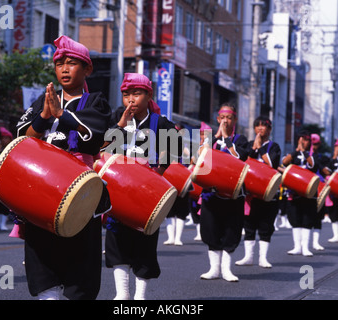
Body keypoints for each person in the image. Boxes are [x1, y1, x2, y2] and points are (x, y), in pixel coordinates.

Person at [16, 35, 111, 300]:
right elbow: (22, 138)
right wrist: (45, 116)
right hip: (43, 187)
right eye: (59, 64)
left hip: (79, 189)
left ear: (87, 69)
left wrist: (62, 116)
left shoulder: (96, 103)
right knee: (40, 252)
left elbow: (94, 139)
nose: (64, 69)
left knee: (81, 258)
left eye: (72, 63)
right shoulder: (43, 101)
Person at [103, 72, 181, 300]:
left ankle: (140, 296)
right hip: (118, 188)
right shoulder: (118, 118)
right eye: (126, 94)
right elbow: (103, 145)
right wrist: (120, 125)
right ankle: (122, 293)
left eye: (136, 94)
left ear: (149, 95)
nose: (131, 100)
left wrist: (159, 171)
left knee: (144, 241)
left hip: (146, 192)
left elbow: (176, 146)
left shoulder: (159, 122)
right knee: (116, 239)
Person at [199, 102, 249, 282]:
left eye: (229, 117)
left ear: (235, 119)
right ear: (218, 119)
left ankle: (226, 269)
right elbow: (200, 158)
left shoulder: (240, 140)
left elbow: (239, 158)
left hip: (233, 194)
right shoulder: (210, 139)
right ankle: (214, 269)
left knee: (231, 230)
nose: (225, 120)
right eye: (223, 117)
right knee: (211, 229)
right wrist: (216, 138)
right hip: (211, 193)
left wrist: (227, 139)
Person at [235, 116, 281, 268]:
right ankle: (248, 256)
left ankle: (263, 258)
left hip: (268, 193)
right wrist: (253, 148)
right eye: (258, 126)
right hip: (250, 193)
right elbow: (243, 161)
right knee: (249, 225)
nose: (261, 129)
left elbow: (272, 164)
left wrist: (260, 147)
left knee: (266, 225)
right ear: (254, 129)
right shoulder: (248, 144)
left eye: (264, 126)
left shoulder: (274, 146)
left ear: (270, 129)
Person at [282, 130, 318, 257]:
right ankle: (297, 246)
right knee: (295, 219)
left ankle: (305, 247)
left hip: (309, 193)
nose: (303, 142)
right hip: (294, 192)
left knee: (307, 220)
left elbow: (313, 166)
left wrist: (304, 152)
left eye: (306, 139)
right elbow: (284, 163)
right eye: (301, 139)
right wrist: (297, 150)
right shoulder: (293, 154)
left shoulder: (313, 155)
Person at [309, 133, 330, 250]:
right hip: (305, 188)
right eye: (312, 143)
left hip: (319, 188)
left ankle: (315, 242)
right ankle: (300, 245)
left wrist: (317, 162)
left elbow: (327, 172)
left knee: (318, 217)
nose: (313, 146)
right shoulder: (302, 156)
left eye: (315, 143)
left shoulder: (323, 157)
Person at [326, 139, 338, 242]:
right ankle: (336, 235)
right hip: (334, 192)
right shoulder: (332, 161)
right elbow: (327, 172)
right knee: (333, 213)